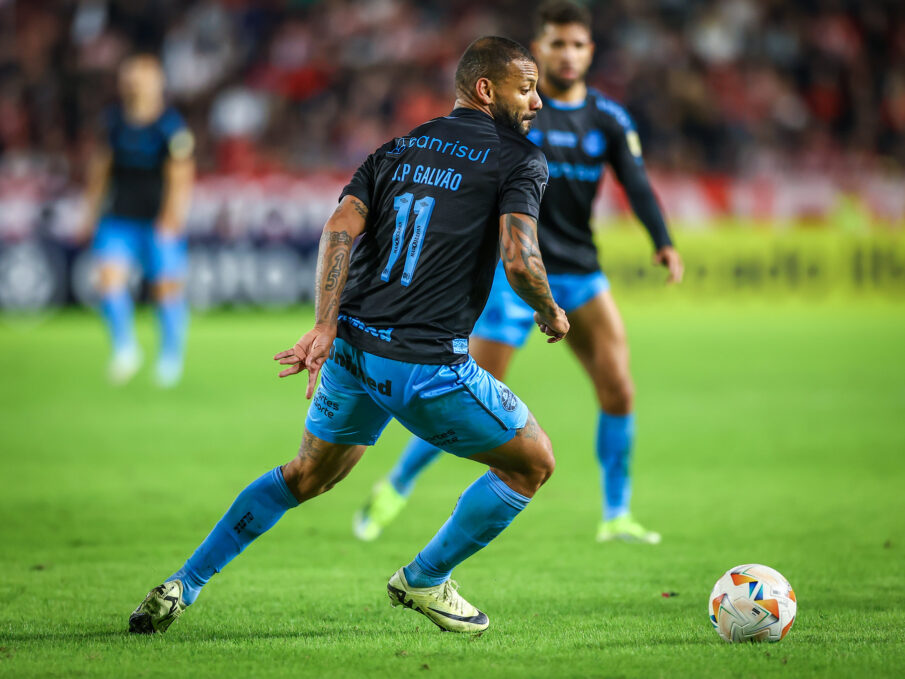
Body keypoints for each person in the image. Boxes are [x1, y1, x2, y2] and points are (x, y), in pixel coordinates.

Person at [128, 36, 569, 635]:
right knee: (532, 463)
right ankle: (425, 578)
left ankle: (185, 582)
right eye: (527, 87)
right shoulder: (519, 158)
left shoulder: (396, 149)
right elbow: (520, 261)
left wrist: (324, 323)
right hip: (425, 365)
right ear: (486, 89)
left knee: (307, 475)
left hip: (353, 352)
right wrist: (550, 310)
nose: (538, 101)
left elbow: (339, 227)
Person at [354, 0, 684, 545]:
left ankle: (617, 514)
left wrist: (664, 241)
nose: (568, 54)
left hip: (579, 269)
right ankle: (397, 485)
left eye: (578, 44)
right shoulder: (517, 111)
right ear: (541, 47)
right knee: (468, 395)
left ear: (590, 51)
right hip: (515, 273)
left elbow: (638, 182)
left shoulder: (608, 118)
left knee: (619, 388)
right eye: (557, 44)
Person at [80, 54, 195, 387]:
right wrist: (89, 213)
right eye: (129, 77)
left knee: (165, 290)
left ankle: (170, 358)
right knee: (109, 280)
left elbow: (181, 175)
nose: (133, 83)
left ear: (156, 83)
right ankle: (125, 348)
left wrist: (172, 216)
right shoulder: (113, 122)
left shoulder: (170, 126)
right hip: (119, 217)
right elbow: (100, 170)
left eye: (140, 77)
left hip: (157, 220)